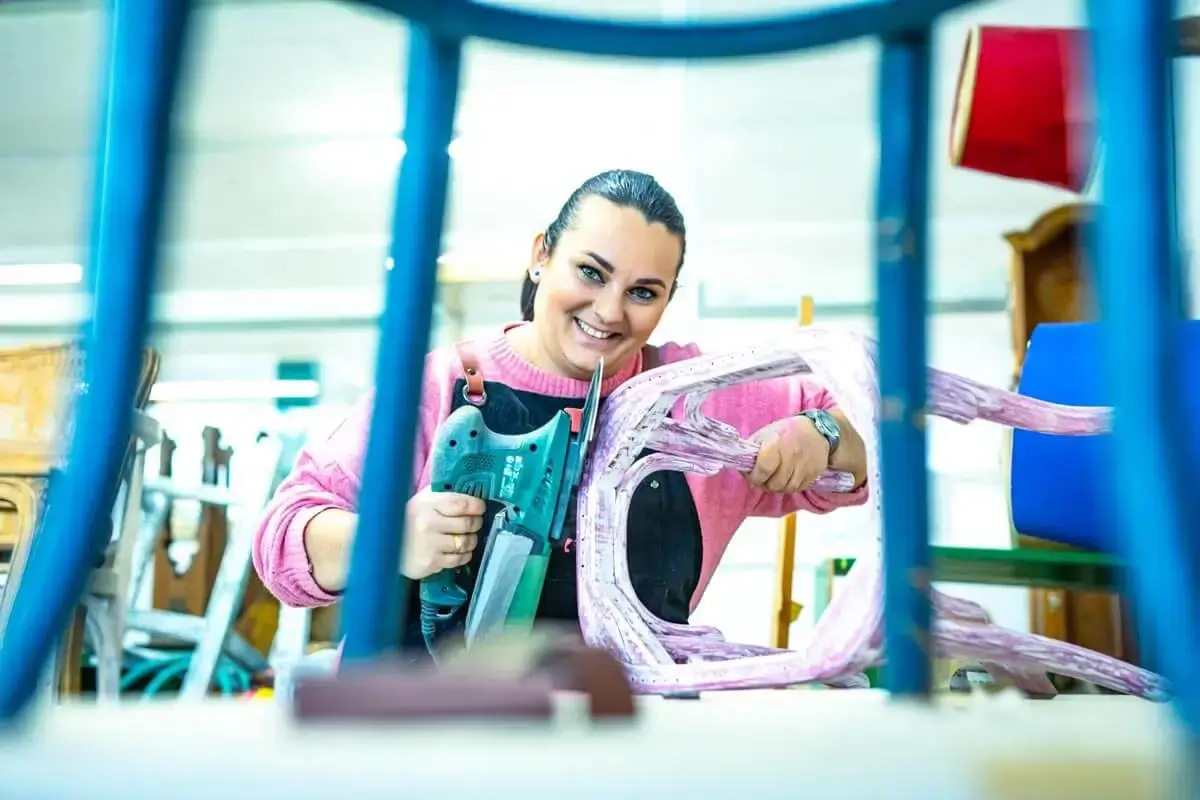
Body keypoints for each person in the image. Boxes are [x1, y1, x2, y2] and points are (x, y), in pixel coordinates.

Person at [253, 169, 870, 656]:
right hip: (423, 736)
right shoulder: (434, 387)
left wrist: (821, 432)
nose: (609, 311)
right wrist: (389, 539)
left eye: (643, 292)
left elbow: (878, 429)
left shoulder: (695, 395)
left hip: (615, 740)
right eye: (591, 272)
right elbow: (281, 541)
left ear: (668, 300)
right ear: (541, 255)